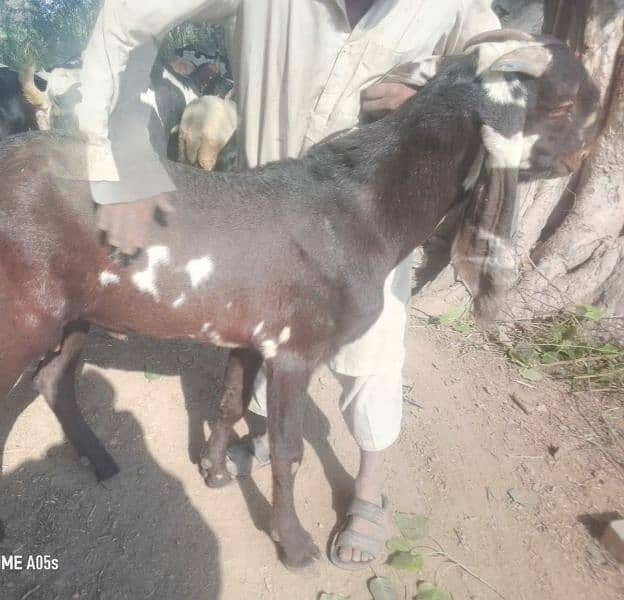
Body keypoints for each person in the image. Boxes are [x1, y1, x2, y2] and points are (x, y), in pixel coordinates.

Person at [76, 0, 499, 569]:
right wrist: (115, 147)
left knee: (373, 352)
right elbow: (128, 14)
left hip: (373, 225)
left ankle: (368, 492)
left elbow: (504, 67)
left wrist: (430, 99)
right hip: (261, 214)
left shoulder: (455, 7)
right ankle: (267, 439)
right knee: (259, 337)